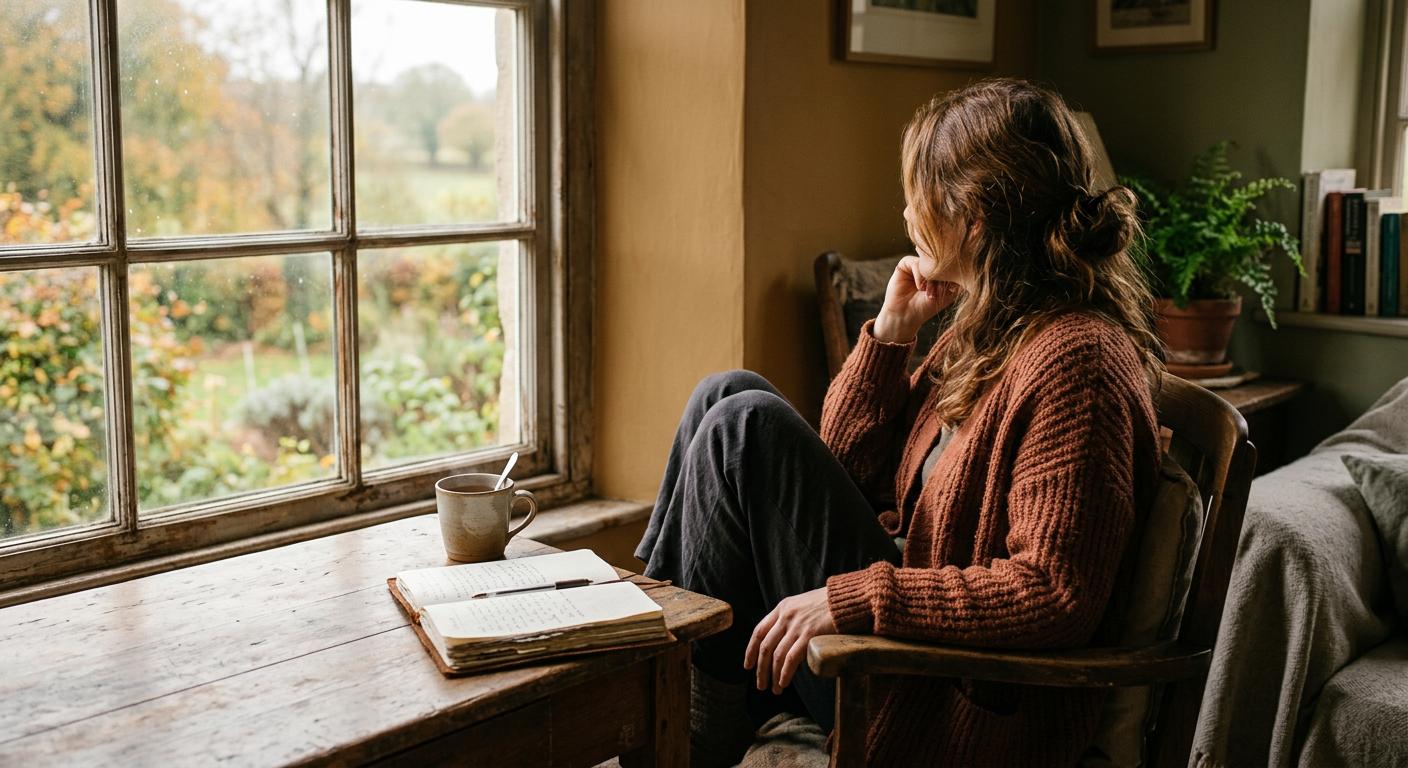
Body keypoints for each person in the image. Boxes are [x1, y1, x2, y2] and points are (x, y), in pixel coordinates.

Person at [634, 79, 1164, 767]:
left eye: (919, 193)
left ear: (975, 216)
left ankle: (681, 731)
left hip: (937, 690)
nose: (907, 212)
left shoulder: (1077, 363)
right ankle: (659, 673)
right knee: (726, 393)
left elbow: (1054, 594)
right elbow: (845, 466)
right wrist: (889, 337)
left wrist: (855, 600)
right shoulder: (989, 330)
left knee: (745, 424)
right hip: (909, 624)